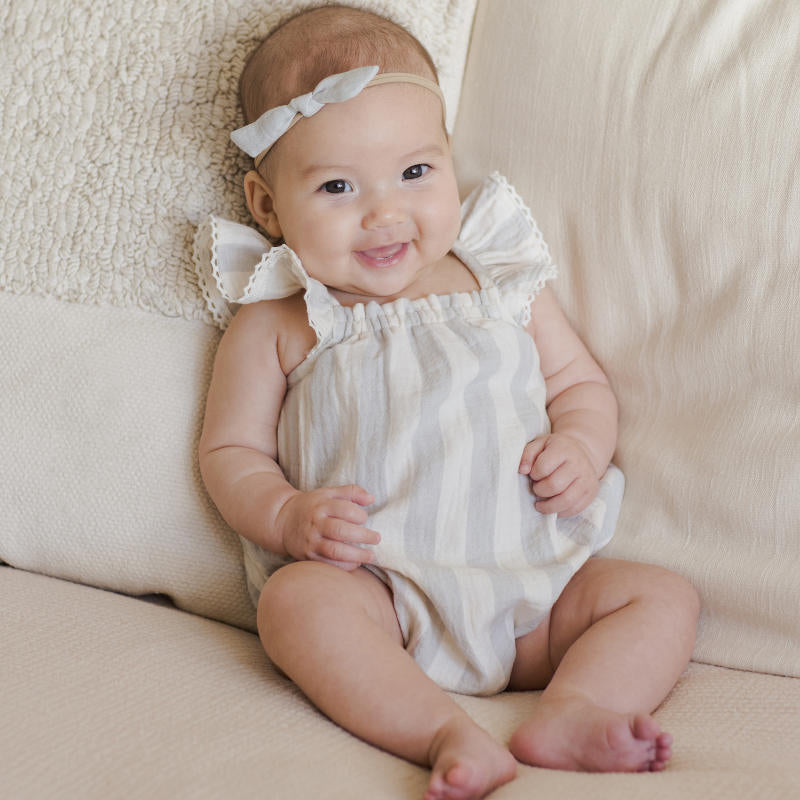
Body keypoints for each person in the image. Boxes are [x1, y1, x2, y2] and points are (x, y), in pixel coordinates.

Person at [195, 6, 700, 799]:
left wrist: (581, 445)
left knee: (661, 597)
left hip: (537, 594)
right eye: (336, 186)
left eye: (416, 173)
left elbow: (580, 386)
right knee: (295, 605)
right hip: (379, 596)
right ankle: (439, 731)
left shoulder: (500, 281)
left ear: (448, 160)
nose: (385, 213)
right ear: (266, 206)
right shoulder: (281, 320)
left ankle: (576, 708)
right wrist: (285, 515)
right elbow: (231, 452)